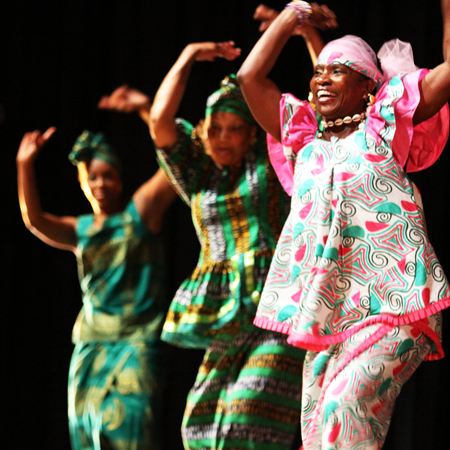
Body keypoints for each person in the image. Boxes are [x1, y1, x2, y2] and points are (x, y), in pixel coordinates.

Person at [237, 1, 450, 449]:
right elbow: (249, 78)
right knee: (320, 438)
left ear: (368, 88)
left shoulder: (385, 127)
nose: (321, 80)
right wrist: (292, 13)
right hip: (329, 316)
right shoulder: (302, 140)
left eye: (337, 72)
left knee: (343, 409)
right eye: (317, 73)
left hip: (396, 303)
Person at [147, 40, 308, 450]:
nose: (222, 138)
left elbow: (307, 116)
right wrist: (184, 57)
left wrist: (302, 33)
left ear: (251, 133)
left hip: (277, 302)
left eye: (234, 128)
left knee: (252, 414)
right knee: (201, 423)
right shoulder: (198, 174)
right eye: (214, 128)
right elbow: (160, 122)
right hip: (227, 313)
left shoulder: (267, 163)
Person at [17, 127, 176, 450]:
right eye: (93, 177)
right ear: (82, 182)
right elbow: (35, 220)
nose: (100, 184)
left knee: (132, 429)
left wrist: (149, 114)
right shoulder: (81, 230)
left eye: (108, 176)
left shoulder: (140, 213)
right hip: (92, 346)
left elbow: (174, 164)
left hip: (137, 341)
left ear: (120, 178)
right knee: (88, 430)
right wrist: (24, 164)